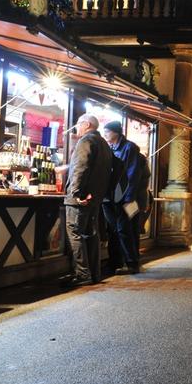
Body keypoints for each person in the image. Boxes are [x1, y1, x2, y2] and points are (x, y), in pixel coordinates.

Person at [62, 114, 112, 287]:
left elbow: (80, 167)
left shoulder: (86, 141)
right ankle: (94, 273)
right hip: (95, 198)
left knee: (75, 232)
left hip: (81, 197)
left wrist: (74, 192)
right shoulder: (105, 144)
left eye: (78, 125)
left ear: (87, 124)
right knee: (91, 234)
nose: (77, 128)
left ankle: (83, 274)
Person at [102, 120, 143, 275]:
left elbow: (132, 174)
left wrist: (128, 197)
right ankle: (115, 262)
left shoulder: (129, 148)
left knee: (124, 229)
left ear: (116, 132)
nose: (105, 134)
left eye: (107, 131)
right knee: (113, 230)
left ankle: (132, 263)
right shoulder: (109, 147)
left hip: (122, 196)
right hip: (109, 196)